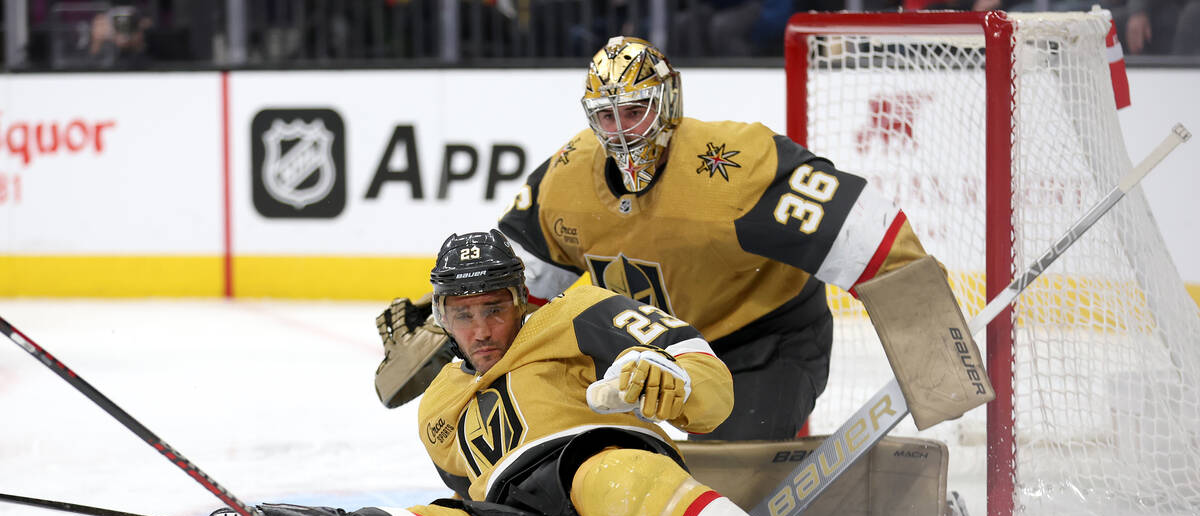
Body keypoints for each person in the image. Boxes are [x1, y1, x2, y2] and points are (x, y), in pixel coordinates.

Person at [205, 229, 886, 516]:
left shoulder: (578, 313)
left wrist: (671, 383)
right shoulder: (435, 409)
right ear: (441, 315)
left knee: (601, 474)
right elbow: (474, 510)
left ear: (520, 297)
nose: (480, 330)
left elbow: (709, 391)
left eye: (494, 308)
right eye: (462, 314)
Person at [374, 36, 992, 442]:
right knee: (551, 438)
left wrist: (937, 355)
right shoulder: (566, 178)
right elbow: (518, 288)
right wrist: (447, 326)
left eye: (634, 112)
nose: (620, 132)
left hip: (763, 343)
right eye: (606, 116)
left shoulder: (734, 164)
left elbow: (868, 235)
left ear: (667, 103)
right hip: (645, 348)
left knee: (722, 480)